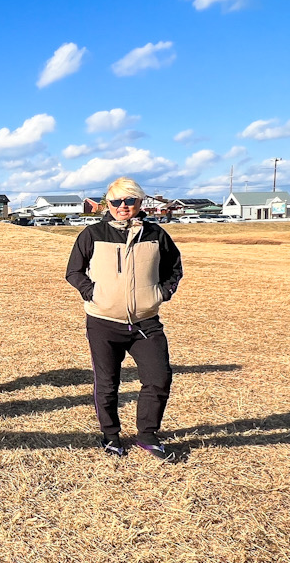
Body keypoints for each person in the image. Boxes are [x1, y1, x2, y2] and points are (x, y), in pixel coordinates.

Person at [65, 177, 183, 461]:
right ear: (108, 204)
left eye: (129, 201)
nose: (123, 207)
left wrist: (161, 293)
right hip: (103, 321)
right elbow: (74, 272)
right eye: (117, 201)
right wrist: (94, 293)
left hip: (145, 321)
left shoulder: (156, 235)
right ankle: (110, 436)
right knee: (107, 383)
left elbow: (174, 268)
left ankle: (147, 434)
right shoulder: (92, 234)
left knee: (158, 379)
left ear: (139, 203)